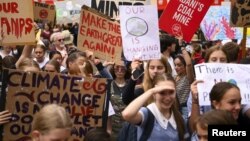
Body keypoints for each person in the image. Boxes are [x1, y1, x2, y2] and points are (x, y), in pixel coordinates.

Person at [122, 73, 188, 141]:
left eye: (171, 92)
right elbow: (127, 114)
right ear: (154, 94)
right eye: (162, 92)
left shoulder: (179, 117)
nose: (167, 98)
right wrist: (151, 91)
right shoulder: (148, 113)